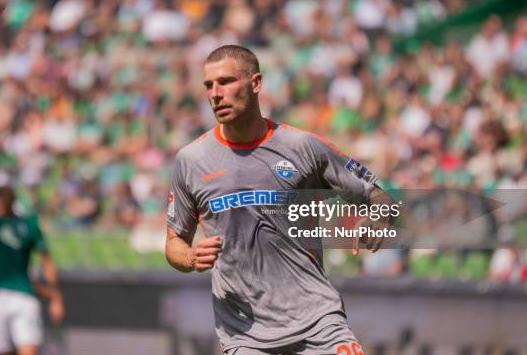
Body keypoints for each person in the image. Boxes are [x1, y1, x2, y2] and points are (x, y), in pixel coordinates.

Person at [165, 45, 393, 354]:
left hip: (318, 321)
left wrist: (379, 218)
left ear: (256, 83)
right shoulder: (191, 160)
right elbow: (174, 242)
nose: (215, 93)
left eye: (226, 81)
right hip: (245, 335)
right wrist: (191, 257)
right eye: (208, 85)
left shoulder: (303, 147)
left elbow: (379, 196)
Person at [0, 186, 65, 355]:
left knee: (29, 349)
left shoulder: (28, 225)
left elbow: (48, 261)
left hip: (23, 295)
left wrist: (56, 297)